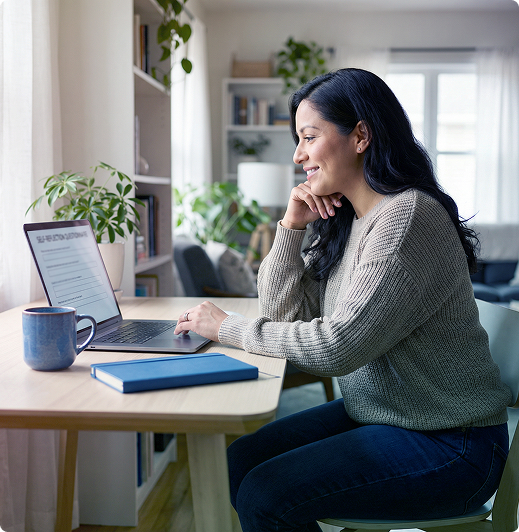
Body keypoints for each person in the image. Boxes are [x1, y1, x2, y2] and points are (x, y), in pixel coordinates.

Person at [173, 68, 512, 532]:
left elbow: (337, 347)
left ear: (360, 136)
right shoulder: (349, 221)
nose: (298, 156)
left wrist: (226, 325)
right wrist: (291, 227)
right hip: (385, 413)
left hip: (453, 442)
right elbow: (282, 315)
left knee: (265, 494)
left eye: (309, 137)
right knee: (242, 458)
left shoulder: (406, 218)